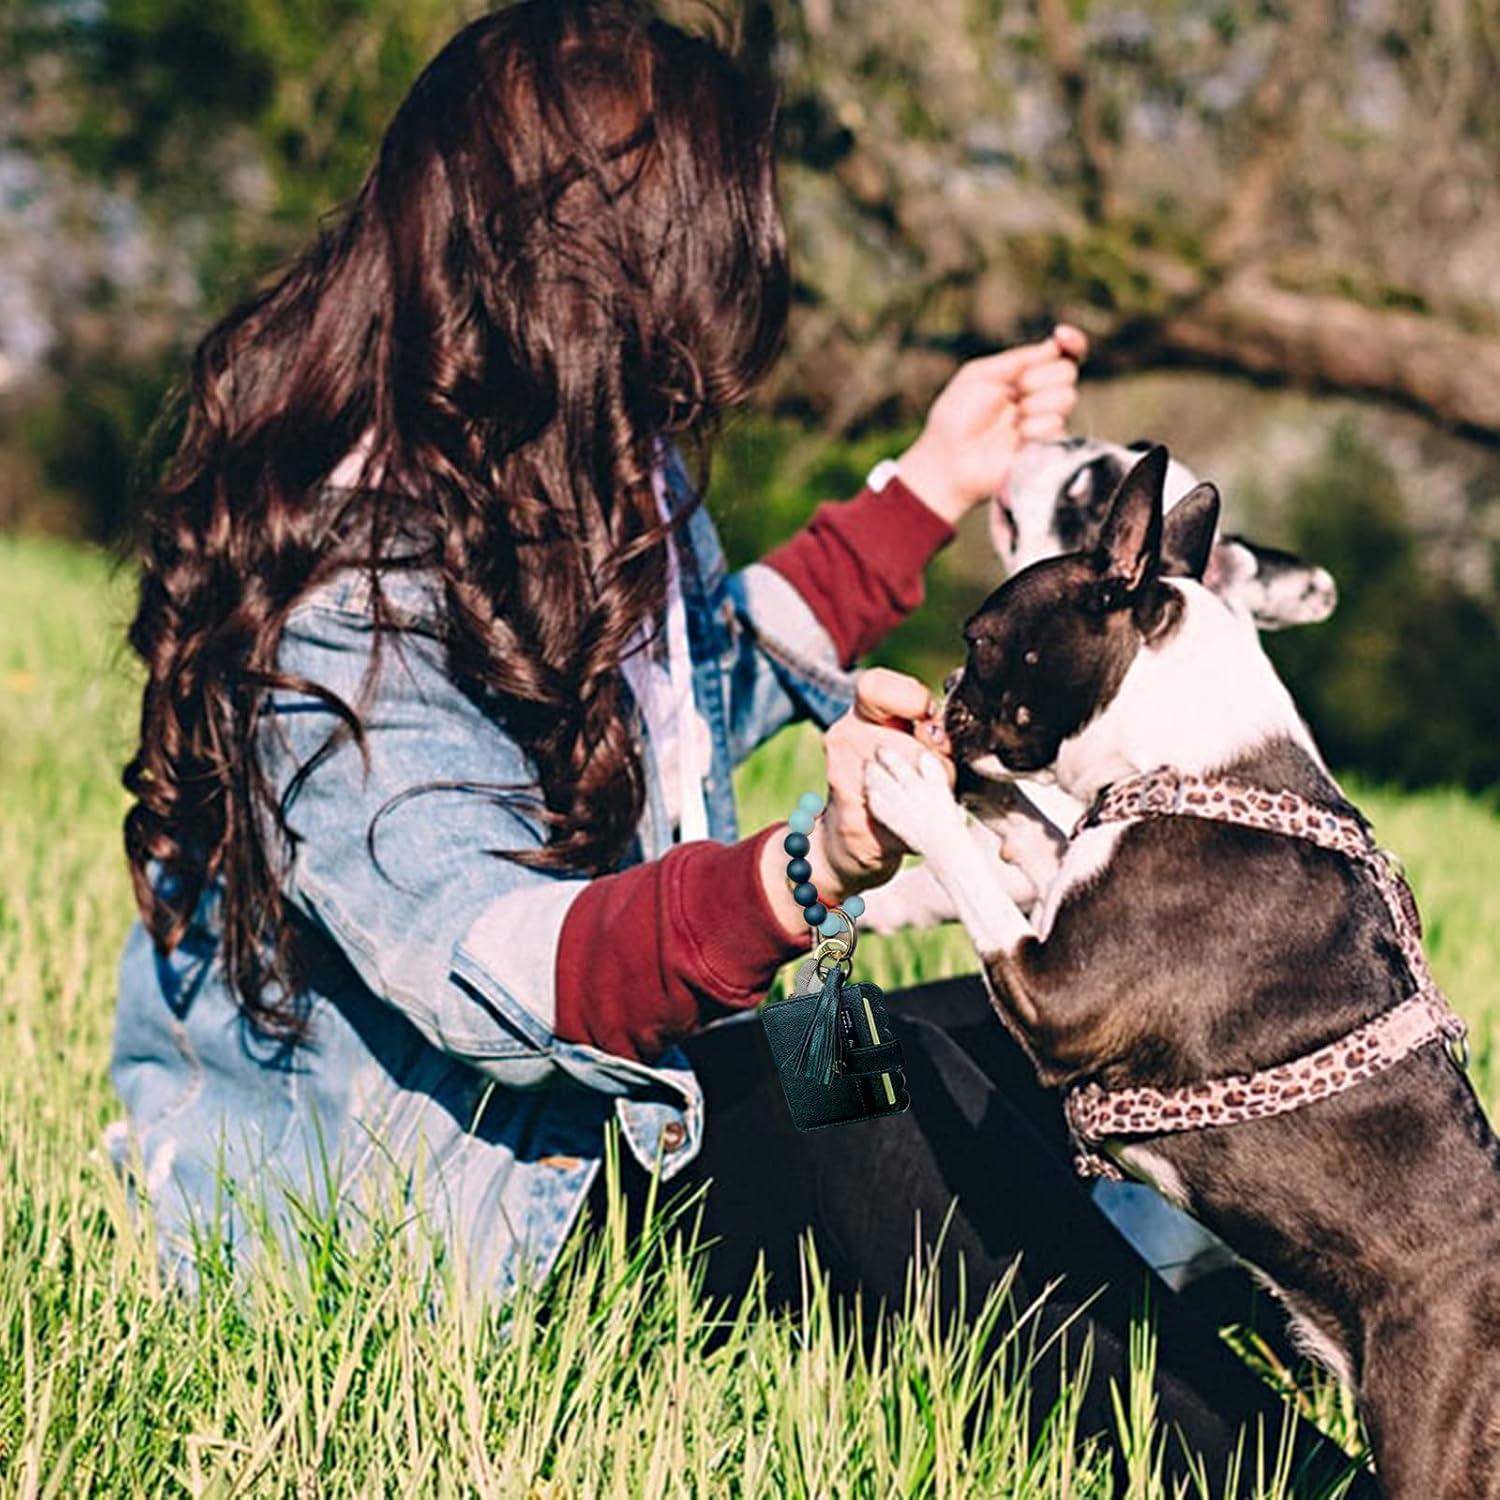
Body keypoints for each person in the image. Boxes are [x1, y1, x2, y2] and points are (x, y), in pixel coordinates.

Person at [106, 3, 1371, 1490]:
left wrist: (929, 485)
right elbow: (498, 966)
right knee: (866, 1099)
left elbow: (696, 669)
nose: (720, 334)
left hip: (611, 1100)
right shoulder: (342, 586)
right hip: (461, 1205)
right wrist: (804, 869)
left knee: (1065, 1039)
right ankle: (1288, 1477)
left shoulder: (584, 451)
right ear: (584, 274)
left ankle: (1271, 1309)